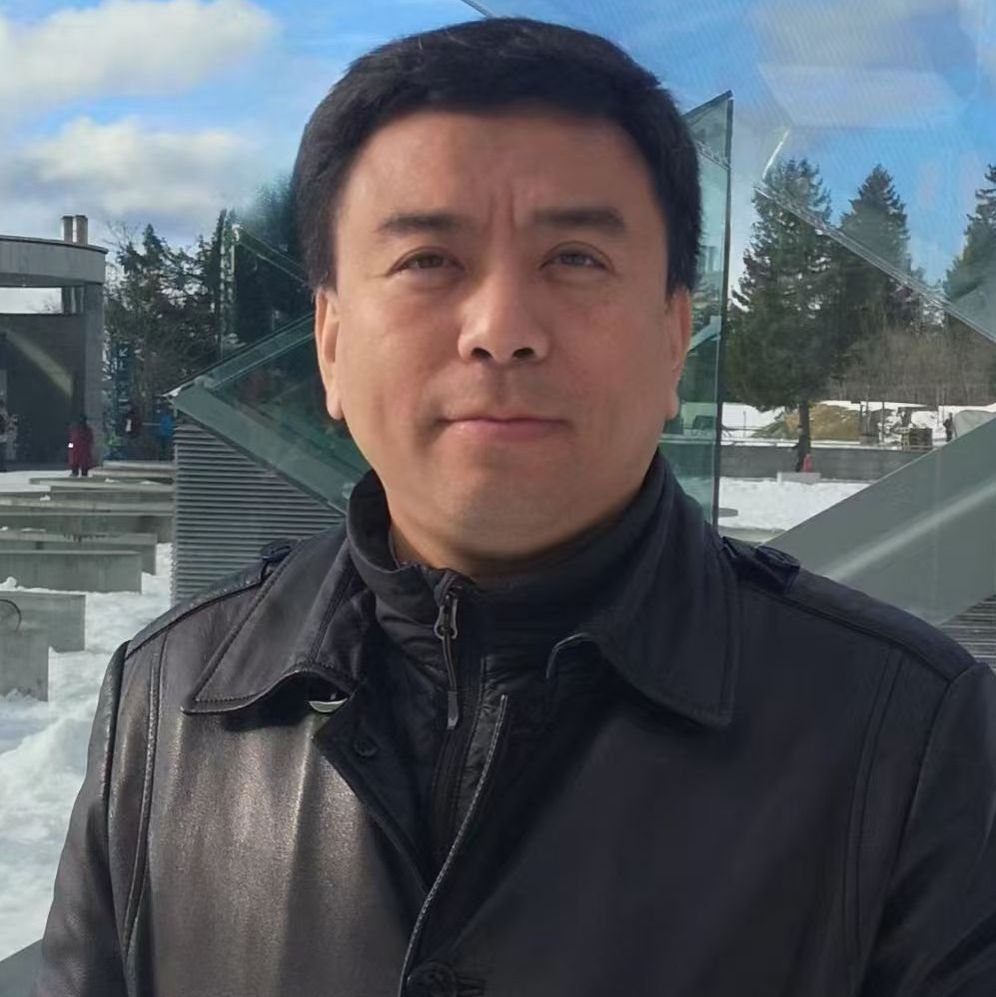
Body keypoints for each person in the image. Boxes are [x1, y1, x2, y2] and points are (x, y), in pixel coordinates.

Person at [35, 19, 996, 997]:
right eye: (428, 261)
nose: (501, 329)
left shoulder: (907, 737)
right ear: (329, 342)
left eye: (574, 257)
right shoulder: (166, 705)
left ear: (675, 335)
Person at [0, 397, 7, 473]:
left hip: (2, 435)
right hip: (3, 435)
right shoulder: (4, 413)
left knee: (2, 452)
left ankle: (2, 467)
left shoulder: (4, 413)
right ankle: (2, 467)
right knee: (2, 453)